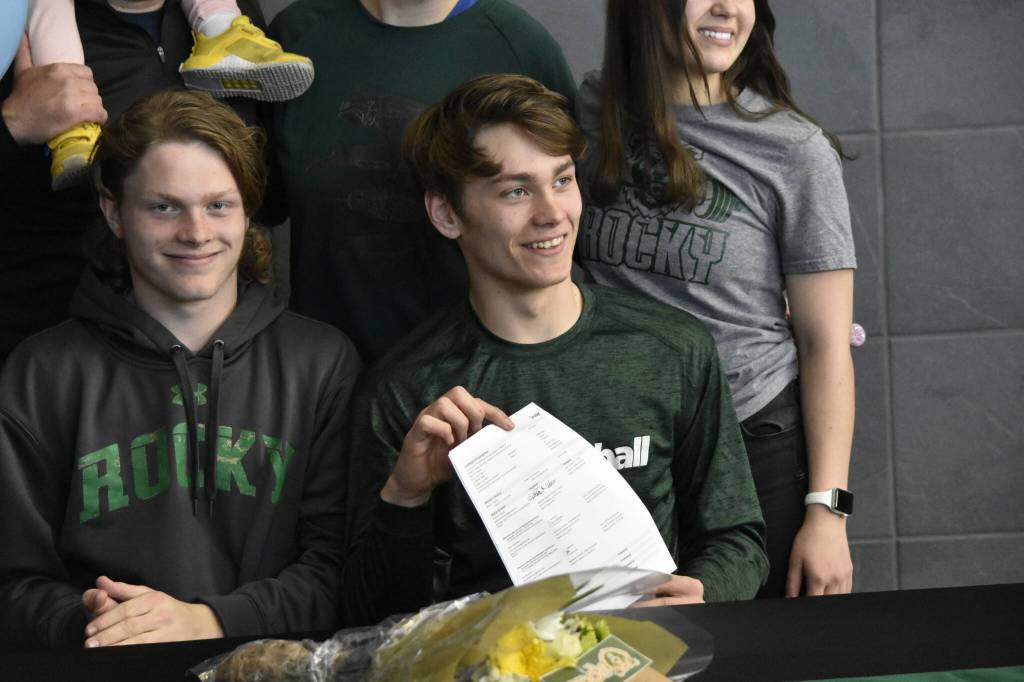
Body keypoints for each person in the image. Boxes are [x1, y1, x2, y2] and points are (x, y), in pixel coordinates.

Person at [341, 74, 767, 627]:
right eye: (516, 191)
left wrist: (704, 594)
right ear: (447, 214)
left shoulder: (671, 349)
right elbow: (372, 613)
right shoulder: (405, 391)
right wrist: (405, 495)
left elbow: (737, 537)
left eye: (562, 180)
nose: (552, 213)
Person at [0, 90, 361, 648]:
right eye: (164, 206)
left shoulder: (321, 364)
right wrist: (89, 618)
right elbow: (13, 583)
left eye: (219, 205)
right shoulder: (41, 373)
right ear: (114, 212)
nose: (196, 232)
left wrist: (209, 621)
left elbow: (342, 572)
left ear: (248, 210)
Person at [575, 0, 857, 598]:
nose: (728, 7)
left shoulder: (793, 150)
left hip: (754, 444)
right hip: (621, 448)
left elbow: (825, 343)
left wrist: (827, 513)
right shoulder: (589, 115)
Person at [268, 0, 577, 363]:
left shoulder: (519, 46)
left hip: (473, 378)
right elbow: (253, 210)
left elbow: (561, 213)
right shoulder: (294, 38)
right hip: (323, 375)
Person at [0, 0, 270, 367]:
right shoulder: (20, 25)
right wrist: (13, 124)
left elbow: (271, 194)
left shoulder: (233, 16)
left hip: (217, 350)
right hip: (50, 346)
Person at [25, 0, 314, 190]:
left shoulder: (245, 8)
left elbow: (268, 191)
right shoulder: (17, 38)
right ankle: (72, 129)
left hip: (228, 265)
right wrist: (13, 124)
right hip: (89, 267)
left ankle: (224, 37)